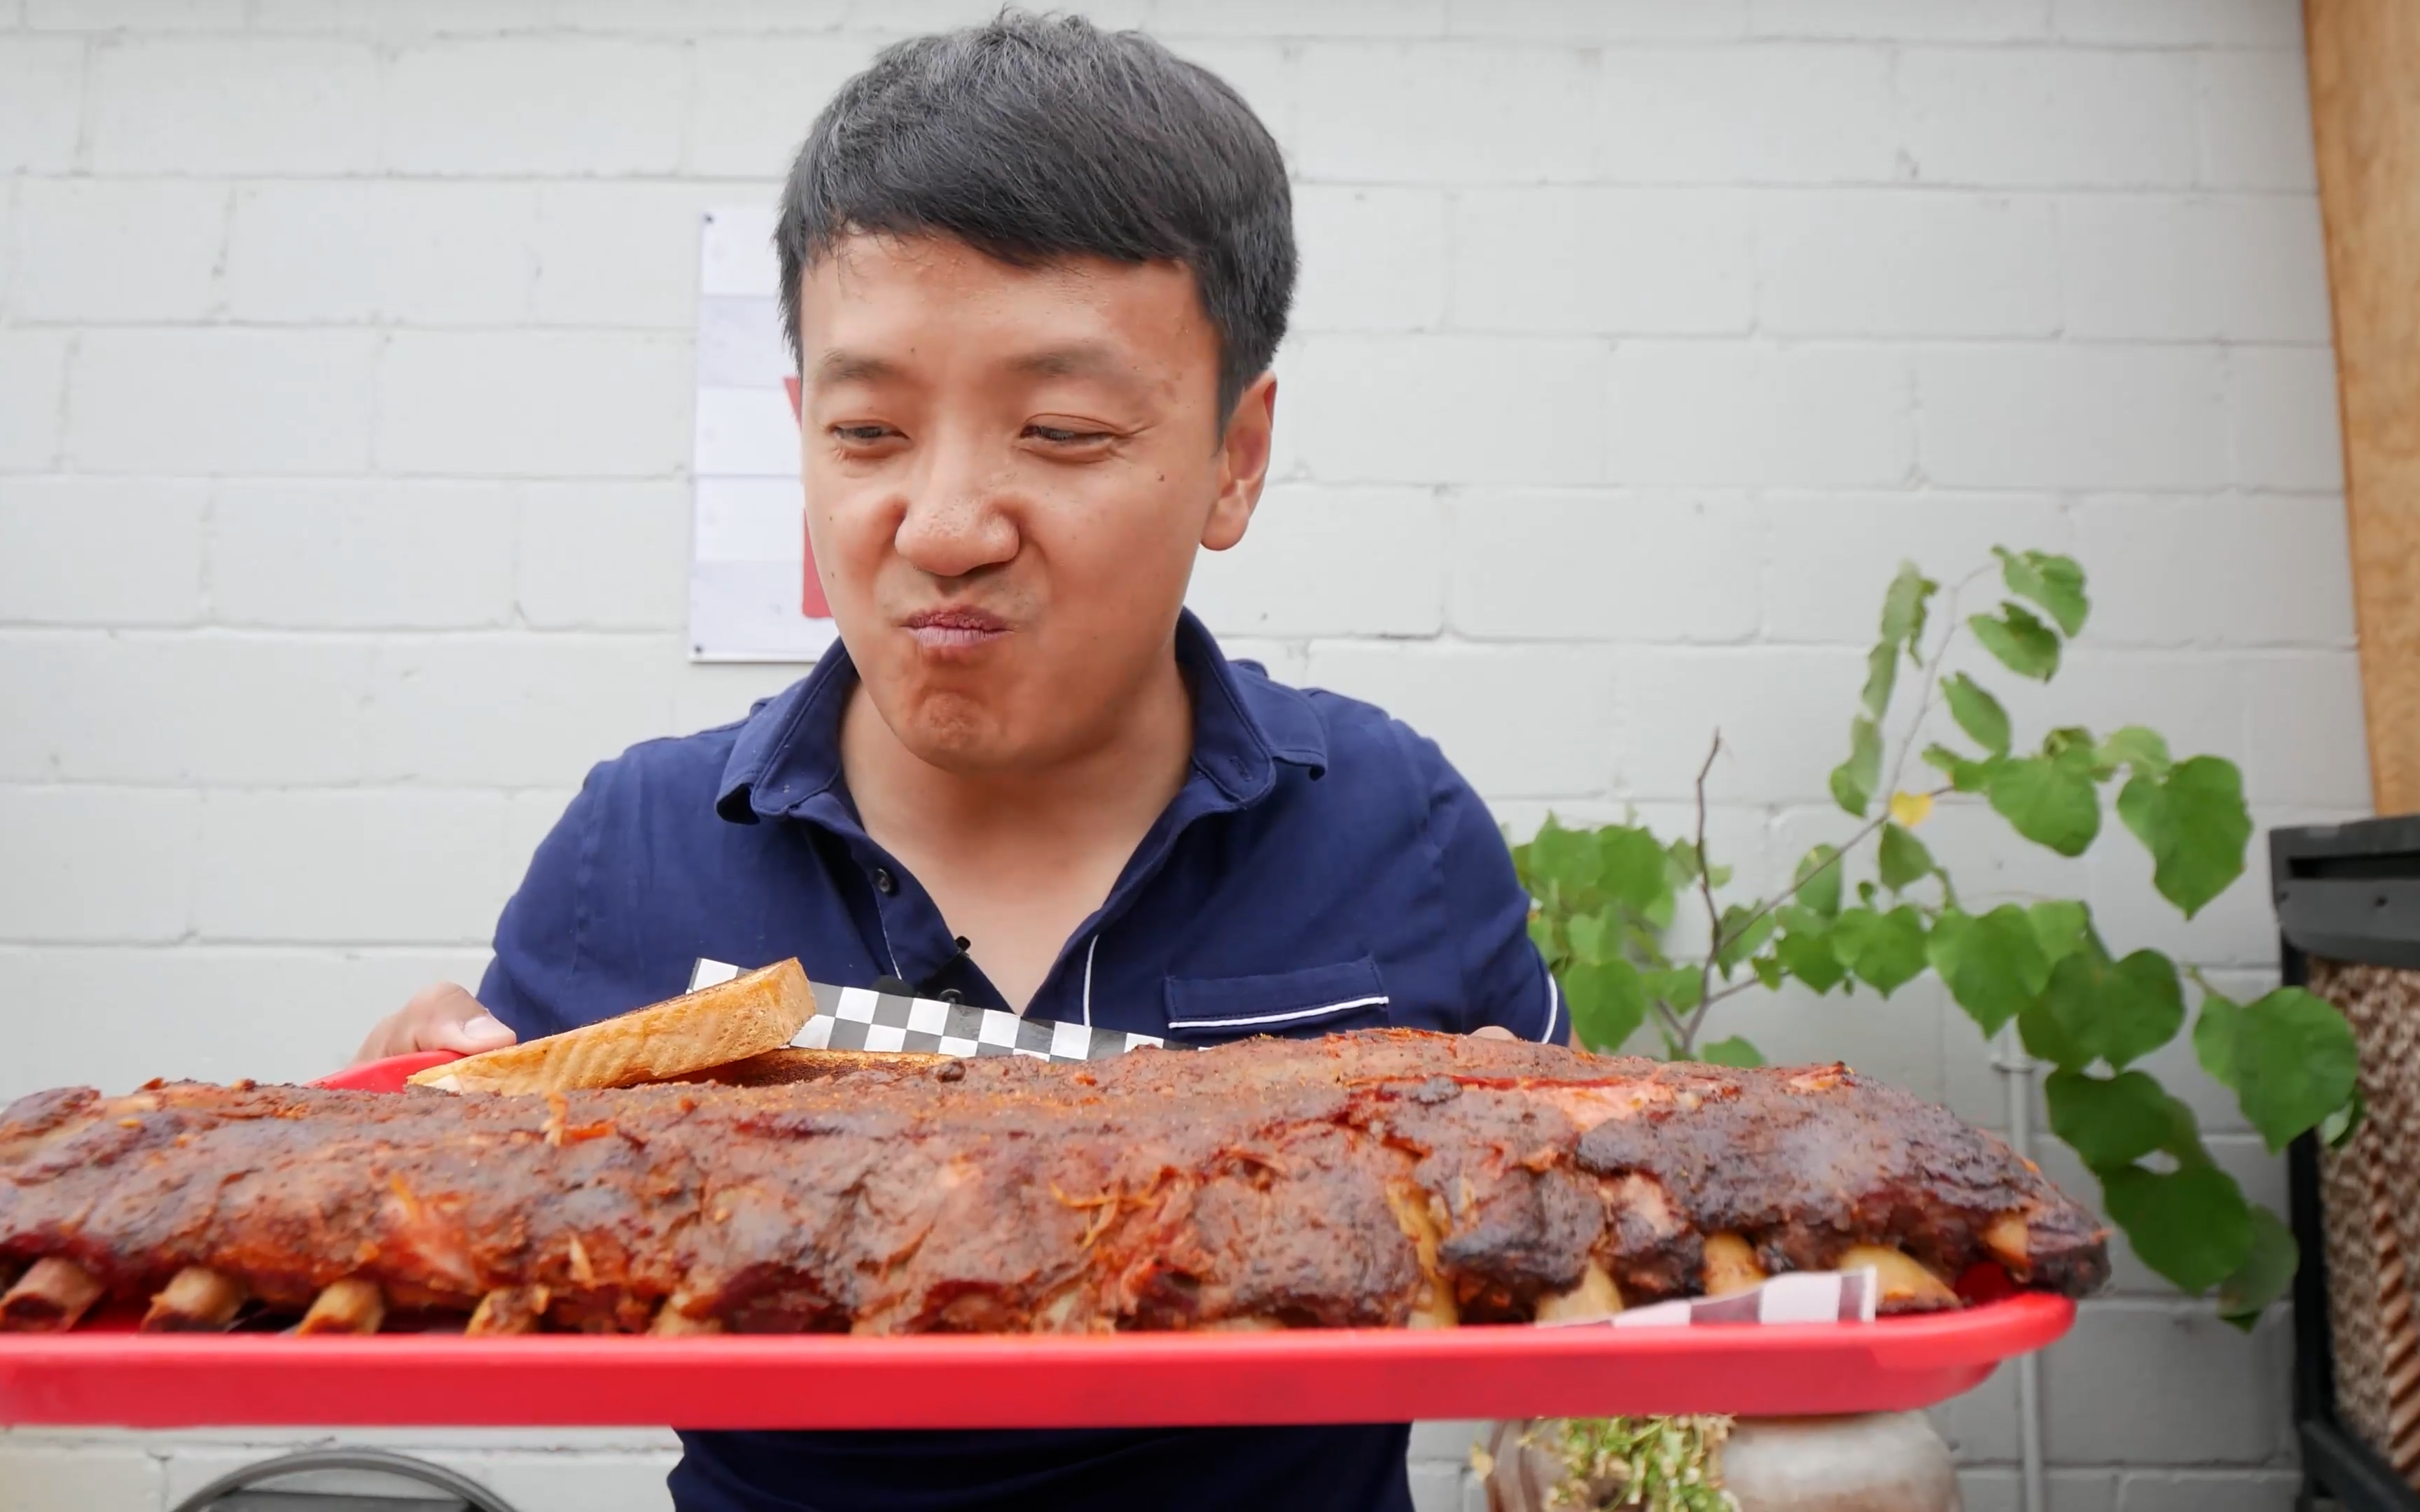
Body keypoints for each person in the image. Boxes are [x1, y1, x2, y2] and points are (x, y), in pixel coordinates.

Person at [354, 13, 1569, 1510]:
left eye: (1058, 432)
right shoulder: (638, 845)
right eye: (868, 432)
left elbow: (1555, 1255)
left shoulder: (1400, 826)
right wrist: (403, 1159)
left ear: (1236, 457)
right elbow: (496, 1240)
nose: (942, 526)